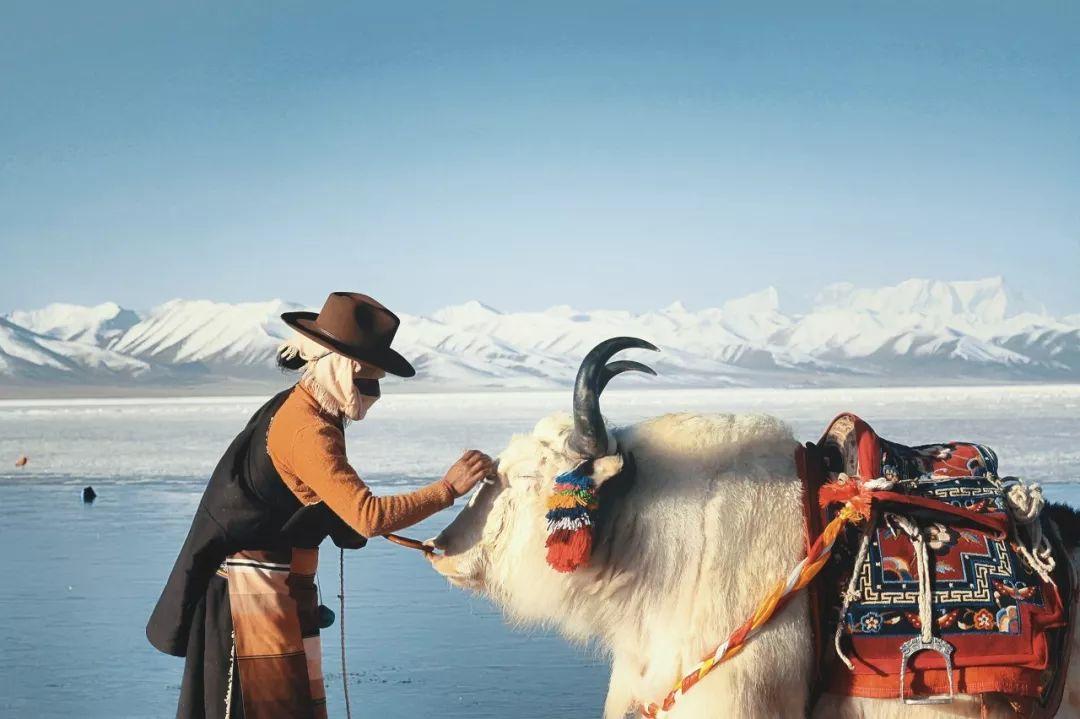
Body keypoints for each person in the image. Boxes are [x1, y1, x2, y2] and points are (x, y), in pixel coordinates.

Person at [146, 292, 493, 719]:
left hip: (265, 591)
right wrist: (448, 489)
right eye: (367, 379)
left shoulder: (307, 407)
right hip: (249, 600)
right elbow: (366, 517)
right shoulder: (309, 429)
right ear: (341, 368)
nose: (375, 393)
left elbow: (324, 502)